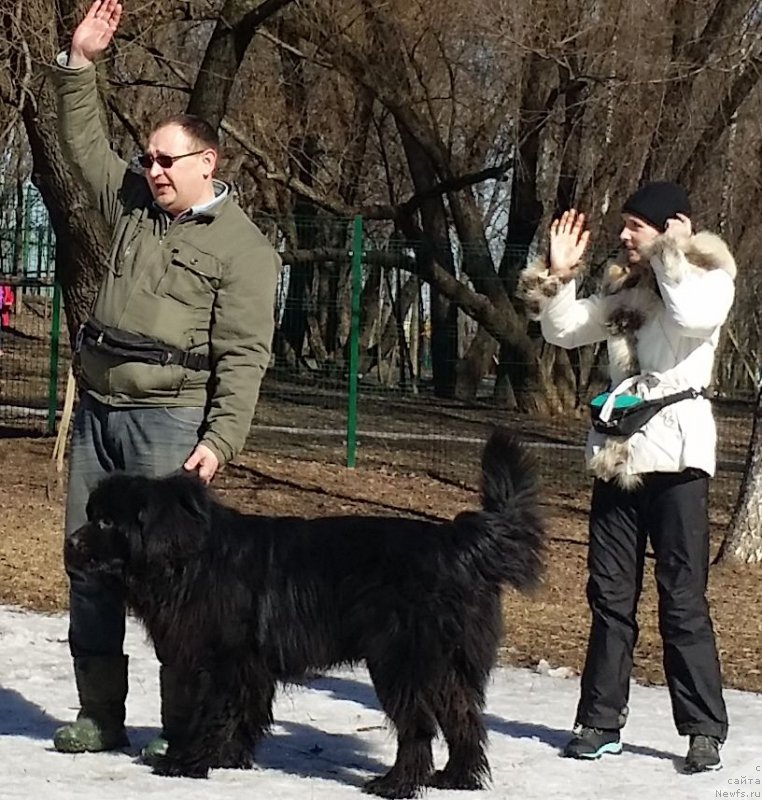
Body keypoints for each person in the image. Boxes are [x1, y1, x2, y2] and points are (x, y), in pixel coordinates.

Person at [50, 0, 281, 763]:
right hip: (100, 415)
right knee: (88, 560)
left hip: (172, 425)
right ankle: (98, 715)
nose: (150, 170)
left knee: (177, 586)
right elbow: (82, 145)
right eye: (147, 158)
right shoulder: (132, 205)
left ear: (207, 163)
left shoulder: (246, 251)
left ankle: (182, 727)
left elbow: (245, 356)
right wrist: (81, 64)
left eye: (165, 160)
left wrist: (221, 441)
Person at [517, 181, 735, 773]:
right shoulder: (625, 289)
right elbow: (564, 330)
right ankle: (598, 721)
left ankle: (703, 730)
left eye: (636, 225)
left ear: (670, 228)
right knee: (610, 597)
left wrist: (671, 253)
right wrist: (558, 276)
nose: (623, 235)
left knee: (682, 599)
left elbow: (690, 316)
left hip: (680, 462)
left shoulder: (710, 278)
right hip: (618, 459)